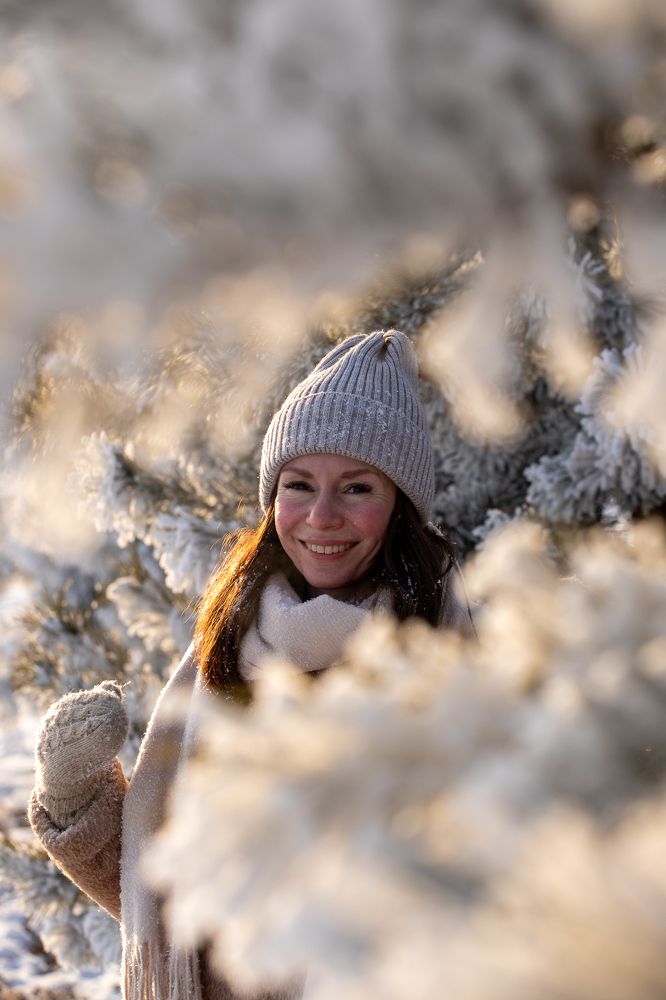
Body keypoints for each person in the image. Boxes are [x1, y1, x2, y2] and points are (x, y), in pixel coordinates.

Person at [29, 330, 473, 1000]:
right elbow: (177, 906)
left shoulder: (453, 665)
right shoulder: (228, 647)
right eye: (299, 485)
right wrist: (75, 795)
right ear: (273, 502)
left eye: (356, 488)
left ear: (400, 506)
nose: (322, 516)